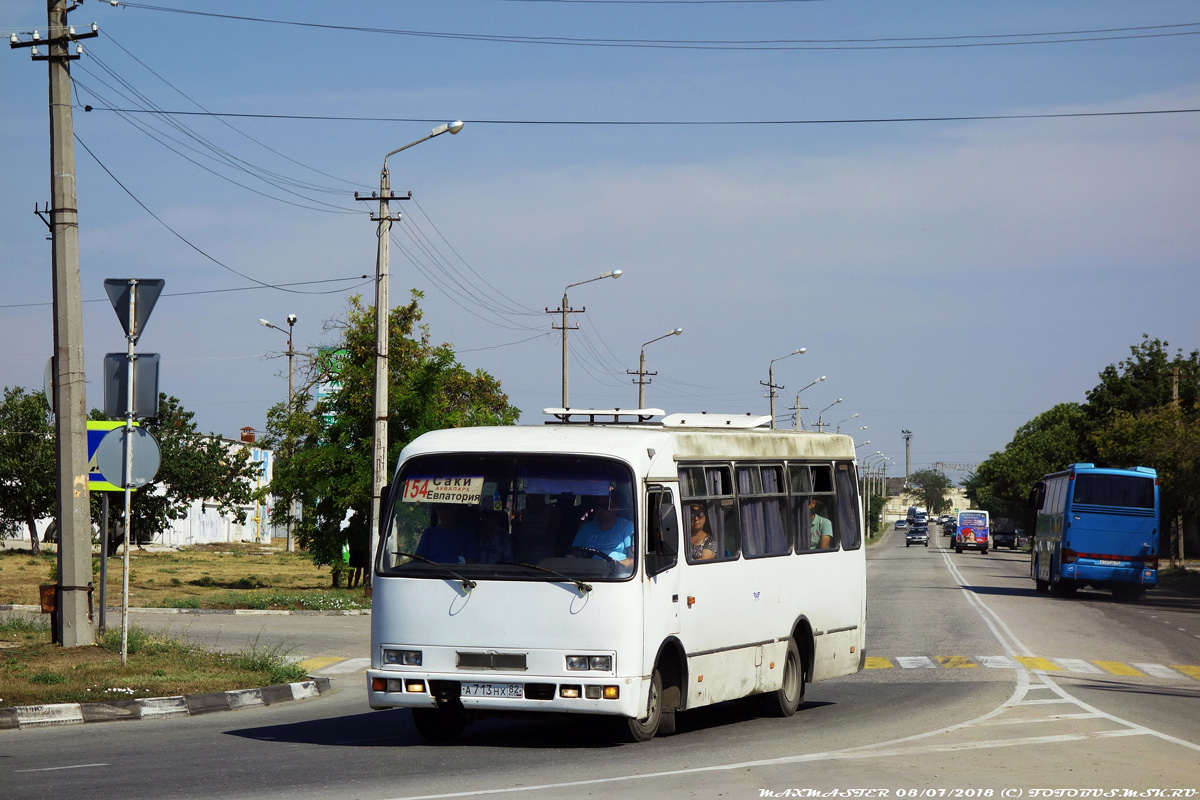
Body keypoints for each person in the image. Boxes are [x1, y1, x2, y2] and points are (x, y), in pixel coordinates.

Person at [570, 491, 634, 572]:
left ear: (616, 509)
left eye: (605, 506)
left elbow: (634, 559)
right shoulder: (586, 528)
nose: (600, 509)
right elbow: (576, 554)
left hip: (618, 577)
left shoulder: (627, 527)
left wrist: (618, 565)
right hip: (589, 574)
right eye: (597, 506)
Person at [415, 504, 480, 564]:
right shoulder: (429, 534)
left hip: (459, 575)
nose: (442, 511)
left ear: (454, 508)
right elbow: (418, 559)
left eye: (446, 508)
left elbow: (472, 562)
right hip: (430, 575)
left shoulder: (467, 534)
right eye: (439, 508)